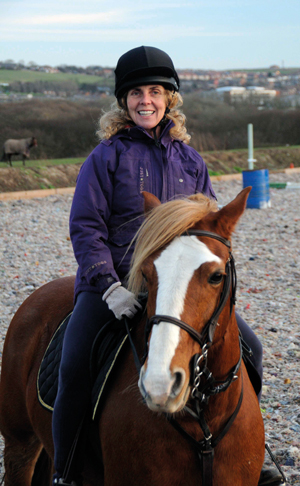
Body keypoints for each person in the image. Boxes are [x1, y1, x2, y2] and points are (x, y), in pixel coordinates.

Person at [52, 46, 282, 486]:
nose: (145, 101)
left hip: (176, 286)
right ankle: (66, 471)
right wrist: (107, 286)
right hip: (114, 286)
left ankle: (246, 451)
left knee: (250, 350)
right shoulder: (105, 158)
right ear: (124, 102)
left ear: (169, 99)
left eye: (154, 92)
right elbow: (85, 228)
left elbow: (208, 228)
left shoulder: (191, 161)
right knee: (74, 364)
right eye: (136, 93)